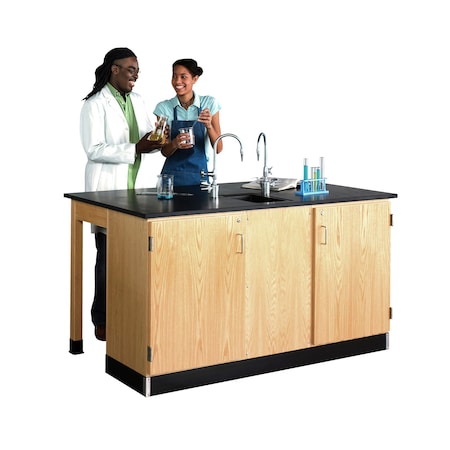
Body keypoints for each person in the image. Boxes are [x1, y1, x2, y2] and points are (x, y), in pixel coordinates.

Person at [80, 47, 162, 341]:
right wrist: (136, 148)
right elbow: (93, 149)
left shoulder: (137, 100)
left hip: (136, 190)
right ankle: (102, 318)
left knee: (135, 258)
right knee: (108, 258)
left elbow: (148, 138)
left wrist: (159, 140)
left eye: (137, 70)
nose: (135, 75)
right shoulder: (94, 104)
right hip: (108, 190)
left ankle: (128, 314)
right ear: (114, 69)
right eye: (130, 69)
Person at [153, 58, 223, 186]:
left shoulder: (209, 103)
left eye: (183, 76)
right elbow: (164, 152)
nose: (177, 81)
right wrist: (175, 143)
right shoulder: (163, 108)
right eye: (174, 76)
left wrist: (208, 126)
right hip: (170, 179)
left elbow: (218, 148)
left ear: (195, 79)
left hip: (200, 177)